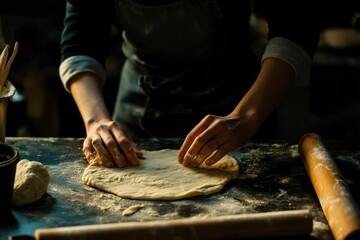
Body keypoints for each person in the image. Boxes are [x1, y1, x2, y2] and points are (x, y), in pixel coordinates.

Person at [59, 0, 320, 168]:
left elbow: (295, 26)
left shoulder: (242, 117)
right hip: (137, 116)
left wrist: (245, 117)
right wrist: (95, 121)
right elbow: (81, 40)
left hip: (236, 109)